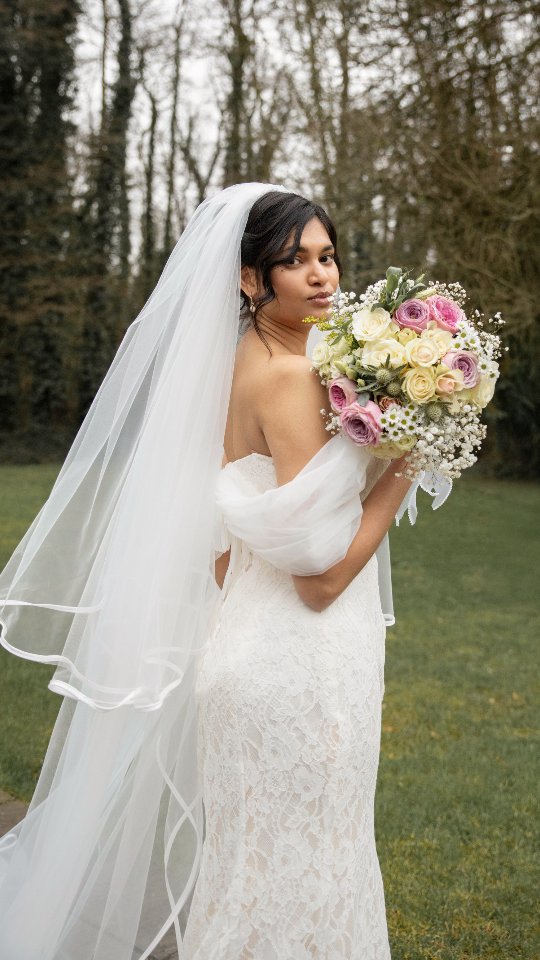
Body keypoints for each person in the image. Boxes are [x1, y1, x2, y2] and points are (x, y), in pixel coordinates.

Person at [0, 182, 413, 959]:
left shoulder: (236, 365)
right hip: (303, 660)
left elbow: (225, 546)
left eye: (328, 257)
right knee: (313, 870)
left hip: (246, 647)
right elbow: (319, 581)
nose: (322, 275)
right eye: (297, 262)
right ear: (251, 279)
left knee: (249, 872)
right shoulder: (291, 379)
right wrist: (406, 467)